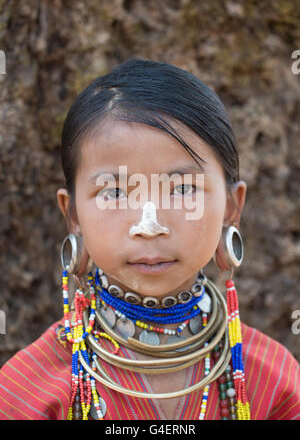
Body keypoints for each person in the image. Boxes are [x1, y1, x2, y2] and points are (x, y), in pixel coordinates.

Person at [0, 59, 299, 421]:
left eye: (184, 188)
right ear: (73, 214)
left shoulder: (274, 383)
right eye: (113, 192)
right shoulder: (28, 394)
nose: (149, 224)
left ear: (232, 207)